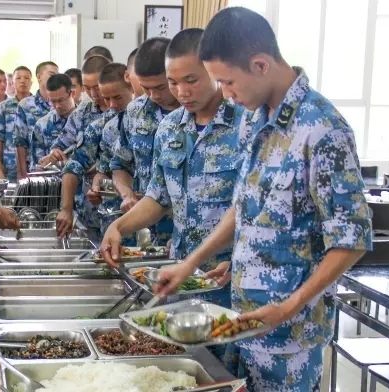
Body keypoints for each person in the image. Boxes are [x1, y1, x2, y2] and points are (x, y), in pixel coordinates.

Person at [155, 7, 373, 392]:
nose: (224, 93)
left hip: (289, 336)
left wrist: (286, 308)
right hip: (244, 316)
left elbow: (350, 240)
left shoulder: (322, 130)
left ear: (260, 65)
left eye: (227, 81)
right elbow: (243, 208)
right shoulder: (255, 120)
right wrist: (191, 264)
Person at [102, 27, 244, 315]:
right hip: (181, 278)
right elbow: (158, 198)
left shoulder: (247, 125)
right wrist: (119, 226)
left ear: (214, 70)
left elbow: (250, 208)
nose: (182, 92)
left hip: (231, 277)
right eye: (173, 83)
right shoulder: (169, 129)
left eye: (191, 80)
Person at [109, 37, 179, 248]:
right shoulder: (135, 111)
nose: (154, 95)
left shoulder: (193, 115)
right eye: (146, 88)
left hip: (189, 234)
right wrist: (126, 192)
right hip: (147, 232)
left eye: (161, 87)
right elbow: (120, 164)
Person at [62, 63, 135, 243]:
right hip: (115, 221)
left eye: (118, 97)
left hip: (155, 224)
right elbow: (80, 166)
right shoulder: (105, 127)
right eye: (107, 99)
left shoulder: (159, 123)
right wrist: (98, 189)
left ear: (131, 84)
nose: (112, 105)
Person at [45, 55, 111, 241]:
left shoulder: (130, 113)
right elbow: (67, 149)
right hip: (87, 207)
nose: (93, 94)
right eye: (87, 88)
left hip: (121, 210)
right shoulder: (83, 112)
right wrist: (55, 152)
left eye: (96, 87)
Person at [14, 61, 58, 178]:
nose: (55, 79)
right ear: (39, 77)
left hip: (59, 171)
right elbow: (20, 142)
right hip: (35, 171)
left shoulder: (59, 104)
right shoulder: (26, 105)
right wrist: (22, 174)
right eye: (51, 74)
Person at [0, 66, 33, 181]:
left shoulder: (37, 106)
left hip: (33, 164)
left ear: (31, 82)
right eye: (18, 78)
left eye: (26, 78)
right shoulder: (4, 106)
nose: (22, 81)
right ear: (12, 82)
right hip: (10, 165)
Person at [30, 73, 77, 170]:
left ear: (73, 94)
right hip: (52, 181)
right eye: (53, 101)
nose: (57, 105)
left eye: (61, 100)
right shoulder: (42, 125)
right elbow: (36, 167)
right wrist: (48, 160)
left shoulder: (86, 120)